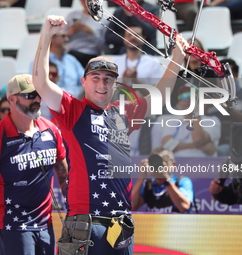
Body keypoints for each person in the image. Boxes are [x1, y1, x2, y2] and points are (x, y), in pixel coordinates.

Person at [32, 15, 188, 255]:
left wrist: (177, 58)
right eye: (95, 78)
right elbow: (40, 82)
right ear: (84, 82)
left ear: (115, 85)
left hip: (120, 223)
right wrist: (46, 34)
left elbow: (161, 95)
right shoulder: (73, 109)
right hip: (85, 222)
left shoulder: (123, 113)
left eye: (108, 79)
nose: (102, 84)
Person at [0, 74, 68, 255]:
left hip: (46, 225)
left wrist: (75, 213)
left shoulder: (51, 130)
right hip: (12, 226)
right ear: (12, 99)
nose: (37, 99)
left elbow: (64, 176)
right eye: (30, 95)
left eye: (39, 94)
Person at [151, 85, 221, 157]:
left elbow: (198, 139)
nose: (187, 99)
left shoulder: (212, 121)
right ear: (178, 103)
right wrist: (198, 146)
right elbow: (167, 146)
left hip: (201, 164)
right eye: (183, 97)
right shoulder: (172, 121)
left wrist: (195, 114)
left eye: (192, 96)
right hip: (176, 164)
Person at [208, 58, 242, 156]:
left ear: (236, 75)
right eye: (219, 74)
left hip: (239, 140)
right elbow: (201, 120)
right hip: (211, 140)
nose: (222, 78)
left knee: (222, 151)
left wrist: (226, 105)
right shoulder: (208, 96)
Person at [132, 147, 194, 213]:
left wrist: (166, 179)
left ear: (173, 164)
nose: (160, 164)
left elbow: (184, 207)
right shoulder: (149, 185)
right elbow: (131, 207)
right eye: (156, 161)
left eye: (165, 160)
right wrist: (142, 177)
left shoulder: (182, 181)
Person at [30, 32, 84, 98]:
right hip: (50, 101)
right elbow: (35, 84)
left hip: (75, 100)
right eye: (63, 36)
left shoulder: (71, 59)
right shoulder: (40, 61)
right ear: (52, 39)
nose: (67, 39)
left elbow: (85, 80)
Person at [63, 0, 107, 68]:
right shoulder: (72, 15)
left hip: (92, 54)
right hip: (72, 52)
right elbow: (59, 38)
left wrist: (91, 33)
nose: (86, 2)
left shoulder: (103, 20)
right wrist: (68, 33)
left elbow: (103, 46)